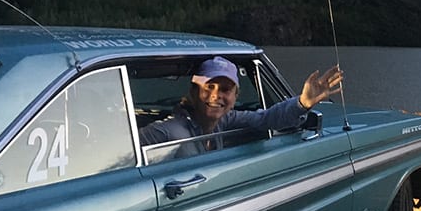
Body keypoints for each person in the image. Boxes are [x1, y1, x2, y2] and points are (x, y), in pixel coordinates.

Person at [138, 56, 343, 158]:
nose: (216, 95)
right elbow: (124, 154)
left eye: (225, 89)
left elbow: (267, 119)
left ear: (235, 96)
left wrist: (303, 103)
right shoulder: (167, 131)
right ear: (194, 92)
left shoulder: (226, 120)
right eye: (209, 87)